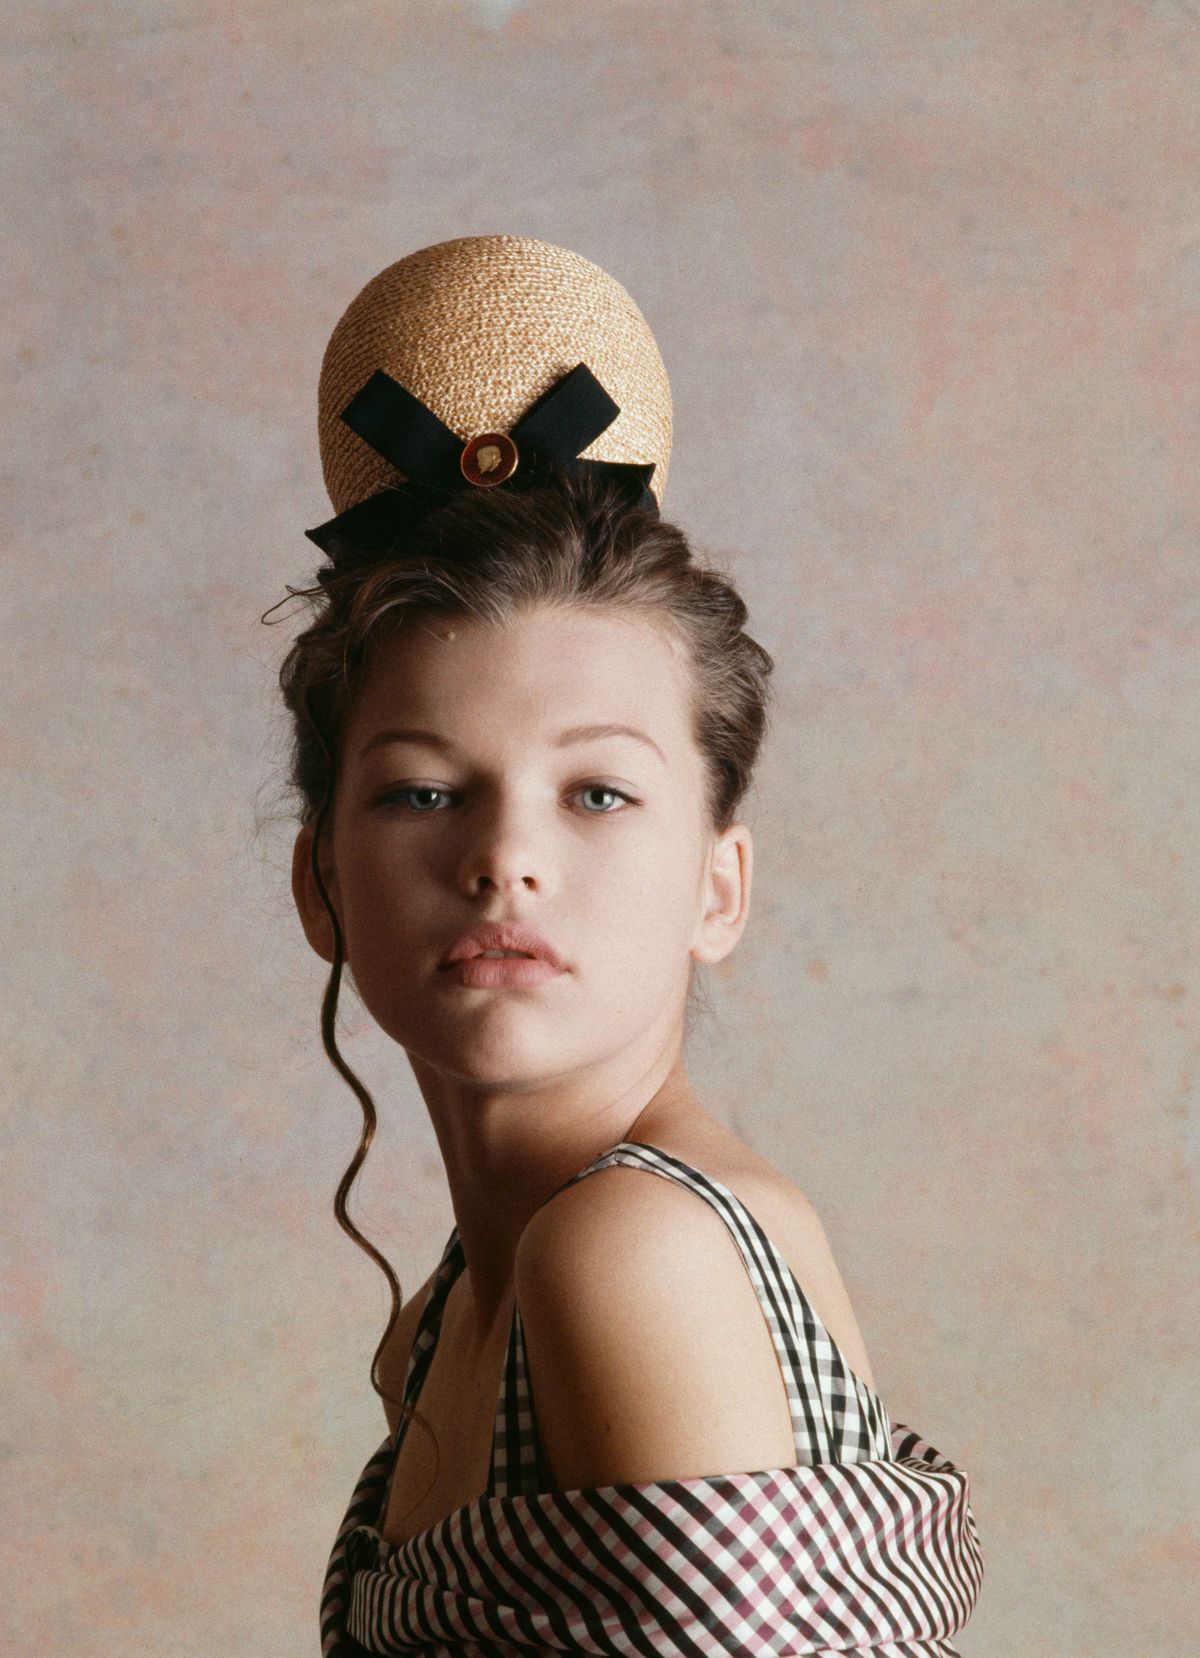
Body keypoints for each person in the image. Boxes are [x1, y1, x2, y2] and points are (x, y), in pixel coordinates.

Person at [267, 235, 983, 1656]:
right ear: (322, 885)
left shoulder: (626, 1254)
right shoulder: (443, 1320)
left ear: (721, 885)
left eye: (598, 791)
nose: (505, 857)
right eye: (422, 788)